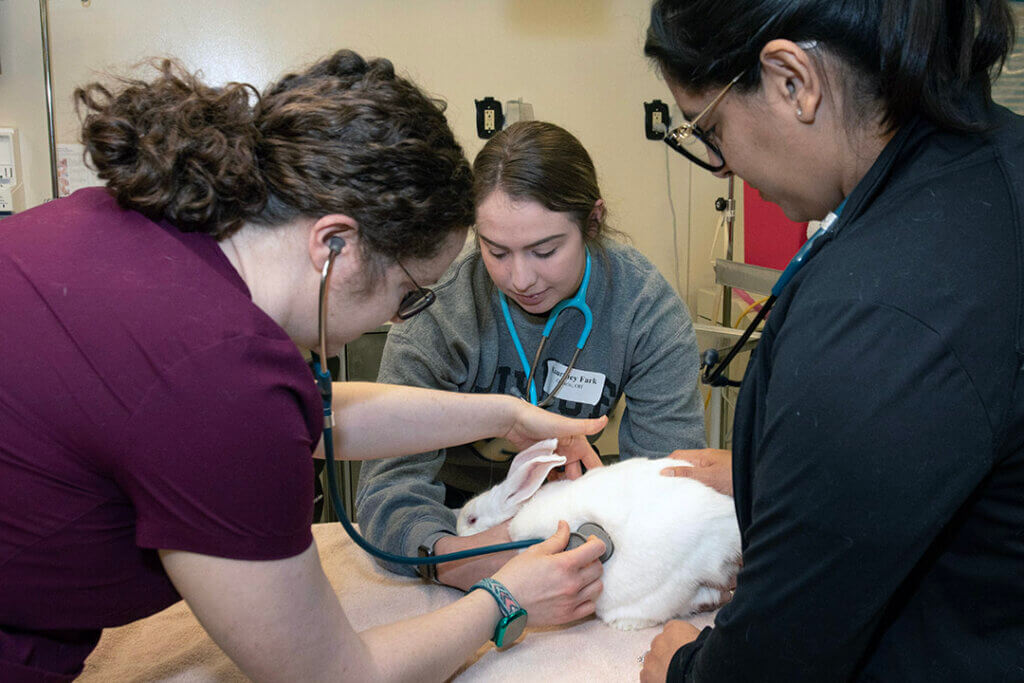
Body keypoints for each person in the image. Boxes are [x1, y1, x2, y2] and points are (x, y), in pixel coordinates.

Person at [0, 51, 611, 682]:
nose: (403, 317)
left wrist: (506, 414)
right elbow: (333, 676)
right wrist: (505, 600)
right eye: (410, 295)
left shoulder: (118, 227)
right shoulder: (217, 377)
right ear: (335, 246)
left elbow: (308, 416)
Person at [637, 1, 1024, 681]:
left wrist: (686, 669)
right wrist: (800, 477)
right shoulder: (991, 169)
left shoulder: (887, 307)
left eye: (712, 128)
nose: (721, 164)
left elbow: (775, 660)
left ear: (793, 80)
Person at [357, 120, 706, 588]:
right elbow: (386, 486)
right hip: (456, 520)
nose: (520, 279)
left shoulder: (644, 309)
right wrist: (448, 557)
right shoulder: (442, 306)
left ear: (593, 221)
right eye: (496, 251)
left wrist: (594, 536)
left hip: (578, 516)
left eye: (545, 251)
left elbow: (667, 479)